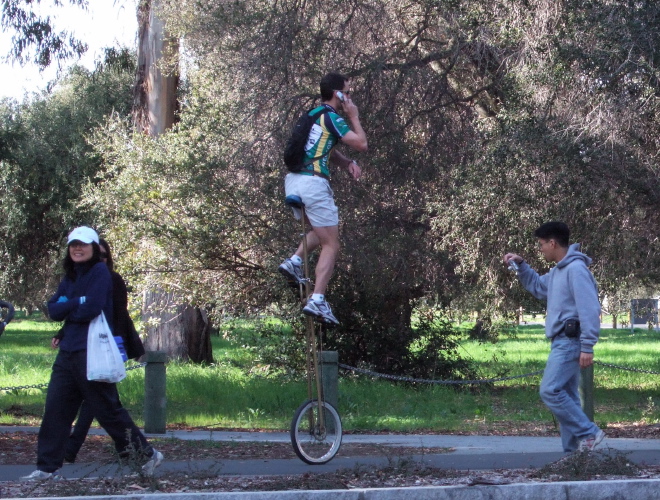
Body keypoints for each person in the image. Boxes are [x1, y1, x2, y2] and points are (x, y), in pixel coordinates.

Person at [21, 227, 162, 481]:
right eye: (73, 244)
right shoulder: (71, 275)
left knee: (107, 410)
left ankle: (147, 455)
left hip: (92, 351)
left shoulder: (99, 272)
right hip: (67, 353)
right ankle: (47, 468)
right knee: (56, 409)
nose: (78, 248)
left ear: (94, 248)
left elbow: (93, 308)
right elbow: (53, 310)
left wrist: (70, 306)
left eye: (83, 244)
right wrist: (77, 302)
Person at [503, 221, 606, 452]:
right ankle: (572, 457)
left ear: (553, 243)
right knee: (568, 397)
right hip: (560, 340)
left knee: (550, 390)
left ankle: (589, 433)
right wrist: (521, 265)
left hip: (571, 341)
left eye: (541, 245)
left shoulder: (576, 270)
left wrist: (587, 346)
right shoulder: (559, 270)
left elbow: (590, 309)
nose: (540, 249)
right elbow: (538, 287)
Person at [279, 72, 368, 325]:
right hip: (314, 184)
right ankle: (317, 300)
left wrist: (347, 162)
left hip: (294, 181)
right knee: (332, 244)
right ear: (337, 93)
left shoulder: (312, 116)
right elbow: (361, 143)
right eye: (347, 92)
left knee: (321, 233)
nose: (349, 96)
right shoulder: (333, 117)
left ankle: (295, 261)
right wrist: (354, 116)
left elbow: (325, 149)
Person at [52, 238, 146, 464]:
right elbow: (73, 308)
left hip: (106, 345)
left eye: (104, 256)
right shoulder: (83, 279)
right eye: (99, 255)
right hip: (84, 346)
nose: (101, 260)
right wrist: (64, 332)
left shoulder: (112, 279)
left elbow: (116, 314)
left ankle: (130, 450)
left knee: (103, 404)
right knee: (101, 403)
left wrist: (116, 345)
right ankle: (129, 450)